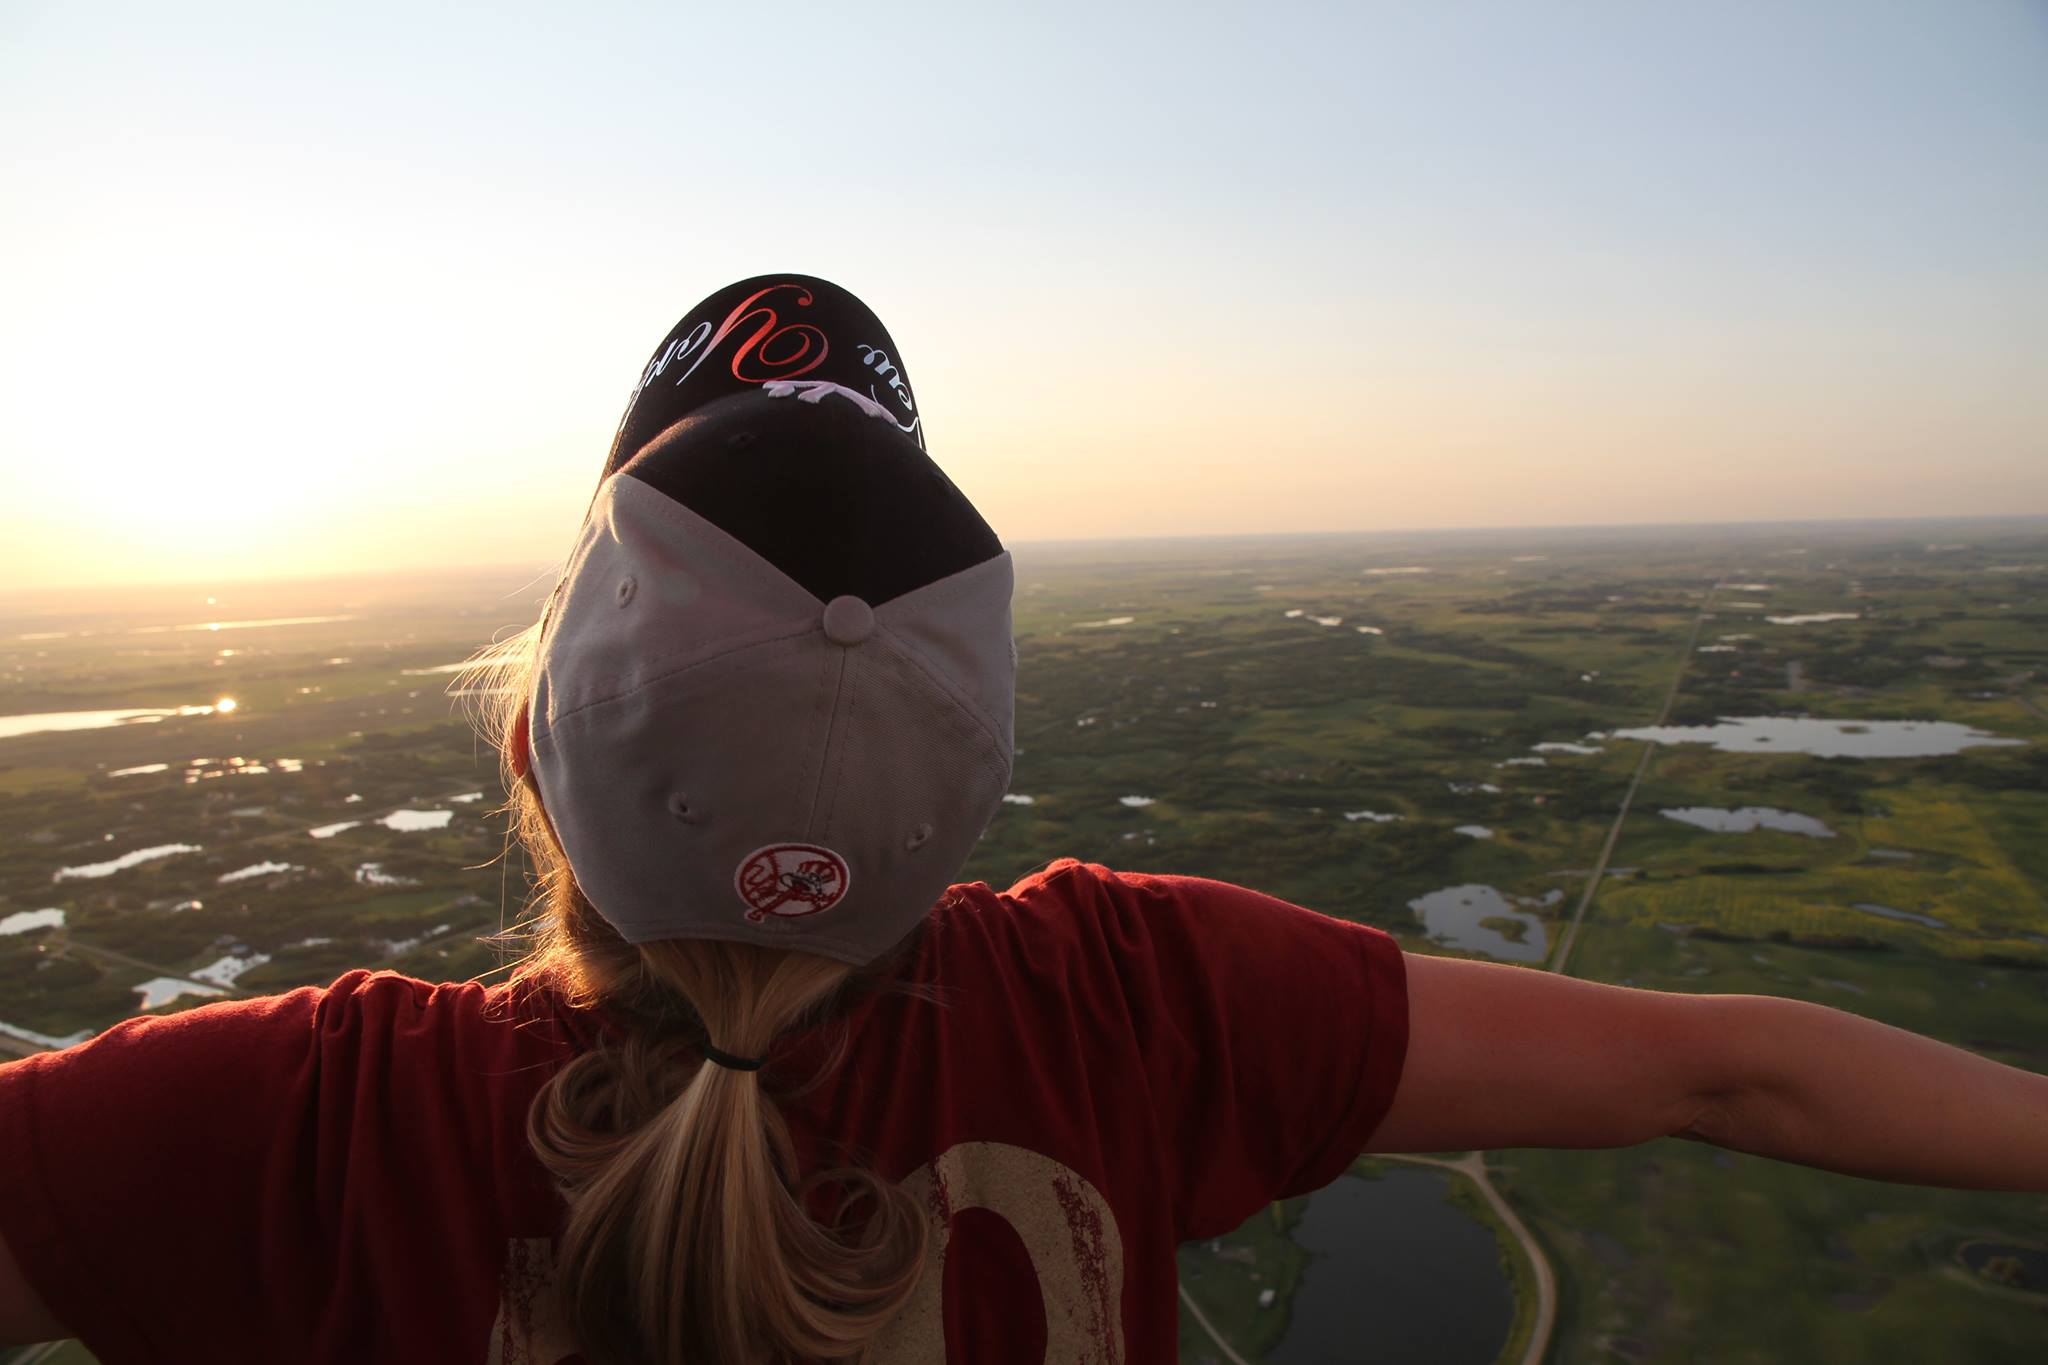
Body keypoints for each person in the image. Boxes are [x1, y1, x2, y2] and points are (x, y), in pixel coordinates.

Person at [1, 275, 2044, 1364]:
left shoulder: (298, 1127)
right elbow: (1738, 1073)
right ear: (962, 793)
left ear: (531, 737)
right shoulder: (1130, 1003)